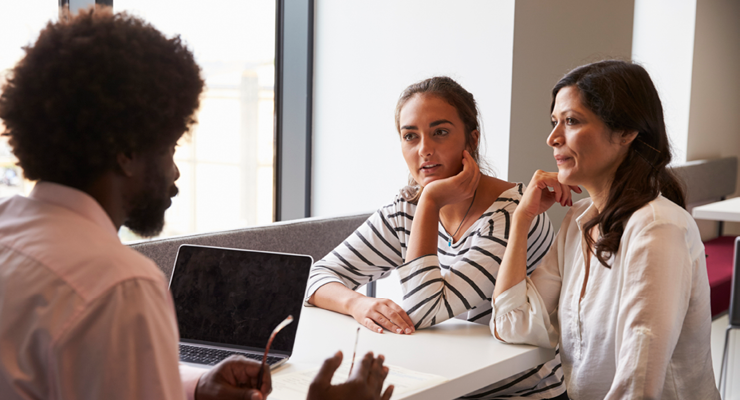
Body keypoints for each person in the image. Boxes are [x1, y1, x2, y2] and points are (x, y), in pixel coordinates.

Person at [0, 9, 392, 400]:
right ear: (126, 153)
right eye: (169, 148)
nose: (175, 174)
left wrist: (195, 386)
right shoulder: (117, 286)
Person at [307, 76, 567, 399]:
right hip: (446, 386)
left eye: (440, 133)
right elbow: (315, 276)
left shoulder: (515, 213)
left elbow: (425, 310)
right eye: (410, 136)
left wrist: (429, 202)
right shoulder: (404, 211)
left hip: (520, 394)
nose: (424, 150)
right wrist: (357, 303)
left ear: (472, 140)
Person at [490, 60, 721, 399]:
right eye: (555, 122)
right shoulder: (579, 222)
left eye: (571, 121)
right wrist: (522, 219)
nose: (552, 137)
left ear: (627, 132)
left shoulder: (657, 227)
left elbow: (638, 387)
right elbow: (512, 325)